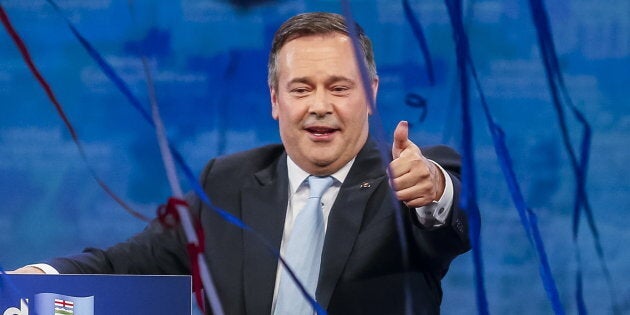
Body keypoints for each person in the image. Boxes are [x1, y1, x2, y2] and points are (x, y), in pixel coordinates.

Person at [11, 12, 471, 314]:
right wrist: (40, 278)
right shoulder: (226, 184)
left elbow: (441, 215)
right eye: (301, 88)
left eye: (339, 87)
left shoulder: (406, 180)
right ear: (275, 100)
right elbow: (128, 262)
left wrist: (432, 189)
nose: (319, 105)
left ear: (371, 94)